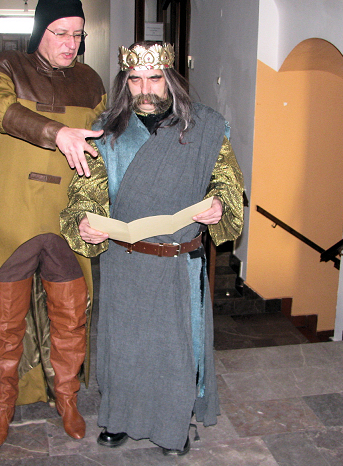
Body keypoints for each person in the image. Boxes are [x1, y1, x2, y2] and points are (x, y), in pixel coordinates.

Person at [59, 41, 244, 455]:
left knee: (173, 353)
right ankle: (118, 418)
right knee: (125, 348)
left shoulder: (206, 127)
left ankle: (173, 426)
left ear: (171, 79)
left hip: (180, 263)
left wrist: (219, 204)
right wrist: (86, 221)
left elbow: (227, 183)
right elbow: (86, 189)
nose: (144, 89)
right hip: (126, 261)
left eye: (154, 78)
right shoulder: (106, 130)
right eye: (135, 79)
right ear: (125, 81)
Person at [0, 0, 106, 450]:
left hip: (65, 220)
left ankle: (67, 399)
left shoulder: (90, 81)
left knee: (71, 319)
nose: (70, 43)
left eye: (77, 34)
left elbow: (110, 138)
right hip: (15, 217)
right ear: (40, 30)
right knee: (5, 324)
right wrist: (57, 133)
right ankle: (3, 406)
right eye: (60, 33)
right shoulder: (7, 67)